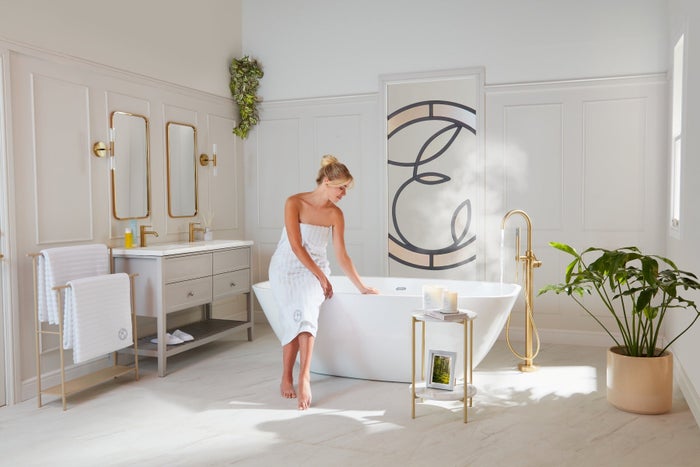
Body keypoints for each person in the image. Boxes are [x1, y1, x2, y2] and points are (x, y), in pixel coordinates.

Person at [268, 154, 378, 410]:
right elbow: (295, 246)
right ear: (327, 181)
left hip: (315, 271)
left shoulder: (335, 215)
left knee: (304, 311)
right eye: (341, 187)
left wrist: (361, 286)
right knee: (292, 315)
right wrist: (320, 275)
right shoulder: (294, 202)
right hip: (286, 267)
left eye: (346, 189)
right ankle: (286, 375)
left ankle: (304, 376)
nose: (344, 193)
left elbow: (342, 255)